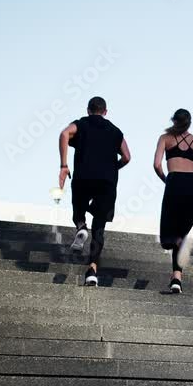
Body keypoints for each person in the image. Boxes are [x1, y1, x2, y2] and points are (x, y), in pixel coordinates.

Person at [58, 96, 131, 286]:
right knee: (99, 227)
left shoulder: (81, 124)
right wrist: (112, 167)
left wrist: (64, 165)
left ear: (88, 110)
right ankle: (92, 271)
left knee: (78, 209)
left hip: (84, 177)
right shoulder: (116, 131)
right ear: (105, 112)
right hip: (107, 182)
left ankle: (81, 227)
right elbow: (127, 157)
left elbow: (64, 134)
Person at [153, 108, 193, 293]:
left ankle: (176, 277)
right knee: (180, 233)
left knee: (169, 236)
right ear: (189, 123)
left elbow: (156, 164)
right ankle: (177, 277)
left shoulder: (165, 138)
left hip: (174, 184)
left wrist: (166, 179)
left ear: (174, 121)